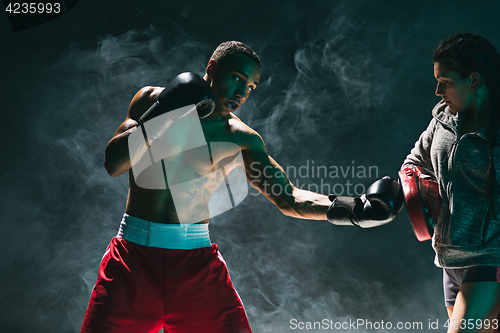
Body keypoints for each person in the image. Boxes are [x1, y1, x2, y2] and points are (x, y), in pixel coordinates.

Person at [80, 41, 403, 333]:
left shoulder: (241, 138)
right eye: (236, 77)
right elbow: (114, 164)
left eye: (250, 86)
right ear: (211, 69)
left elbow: (288, 198)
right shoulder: (151, 99)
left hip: (194, 268)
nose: (242, 92)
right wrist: (167, 113)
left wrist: (355, 210)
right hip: (132, 261)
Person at [401, 33, 500, 333]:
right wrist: (415, 189)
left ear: (473, 80)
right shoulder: (442, 121)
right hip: (448, 261)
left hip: (489, 259)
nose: (437, 90)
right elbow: (413, 163)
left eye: (445, 82)